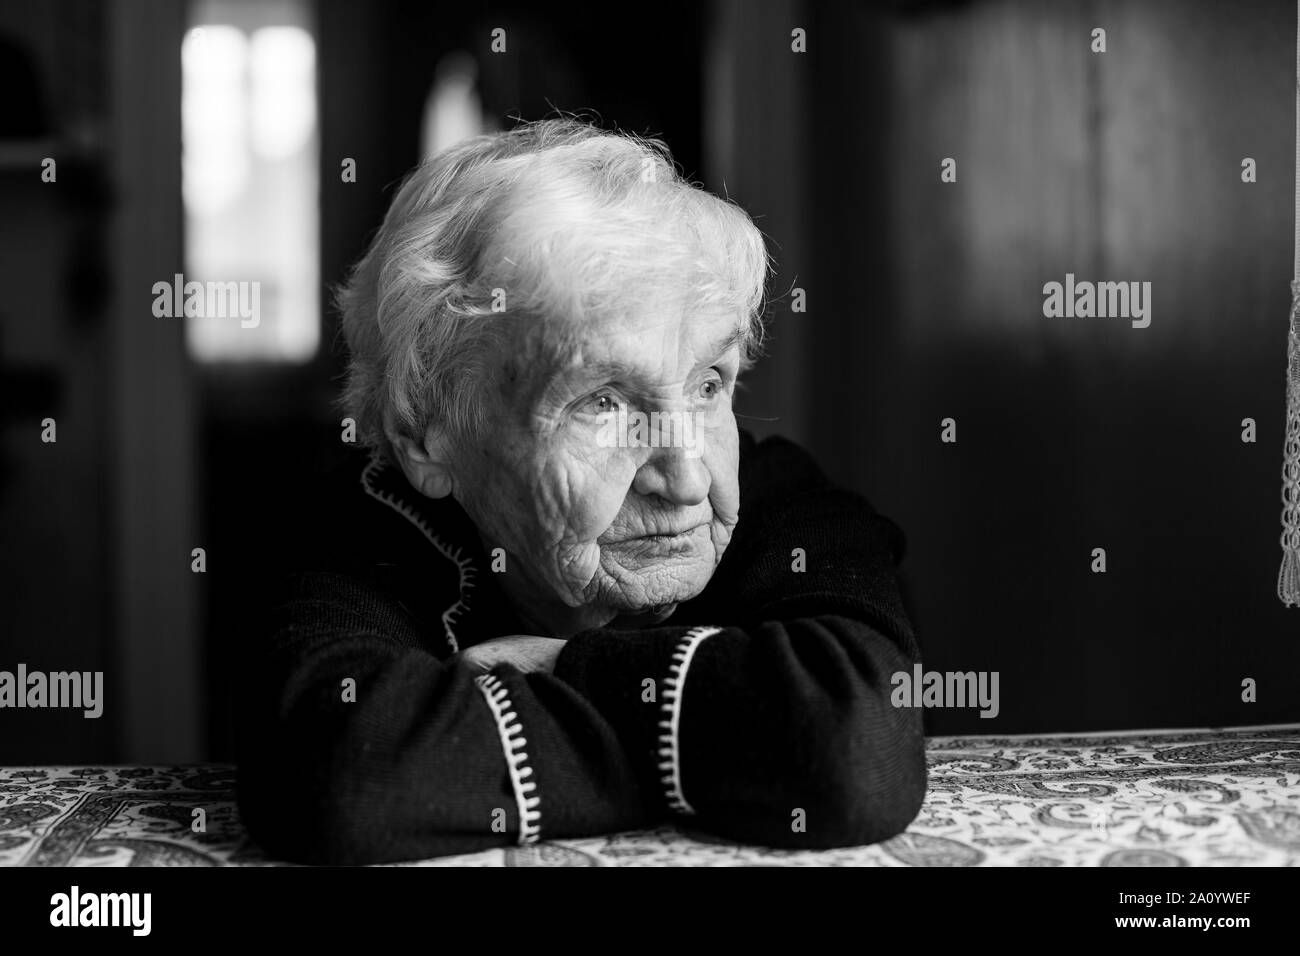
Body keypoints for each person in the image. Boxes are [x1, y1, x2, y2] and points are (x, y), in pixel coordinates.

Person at [236, 118, 926, 864]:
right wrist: (733, 735)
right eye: (602, 402)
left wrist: (559, 667)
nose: (687, 476)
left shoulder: (782, 500)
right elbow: (343, 777)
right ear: (425, 434)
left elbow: (855, 743)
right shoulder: (350, 527)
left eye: (706, 385)